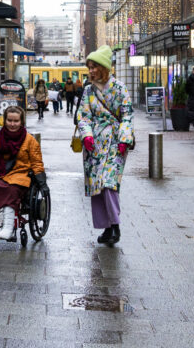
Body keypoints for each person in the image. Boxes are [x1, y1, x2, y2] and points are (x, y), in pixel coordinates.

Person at [77, 45, 134, 245]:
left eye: (94, 67)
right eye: (89, 67)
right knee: (96, 185)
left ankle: (115, 225)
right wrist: (87, 136)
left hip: (115, 142)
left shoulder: (119, 88)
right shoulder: (88, 91)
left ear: (104, 67)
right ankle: (107, 227)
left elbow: (127, 113)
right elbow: (83, 116)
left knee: (109, 183)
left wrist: (124, 139)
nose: (91, 71)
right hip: (94, 144)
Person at [0, 106, 47, 240]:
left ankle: (7, 228)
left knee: (12, 189)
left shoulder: (30, 141)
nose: (12, 124)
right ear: (4, 120)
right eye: (9, 120)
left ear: (22, 122)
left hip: (19, 174)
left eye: (16, 121)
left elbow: (36, 163)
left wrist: (42, 182)